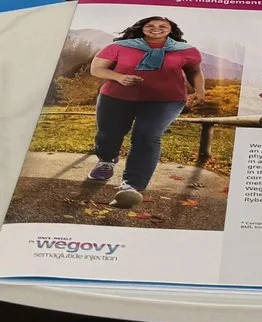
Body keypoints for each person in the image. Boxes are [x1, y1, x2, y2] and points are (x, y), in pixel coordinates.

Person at [85, 15, 204, 209]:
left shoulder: (187, 50)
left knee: (147, 136)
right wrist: (119, 77)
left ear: (171, 29)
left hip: (165, 100)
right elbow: (97, 69)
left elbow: (194, 71)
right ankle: (106, 160)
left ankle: (132, 186)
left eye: (162, 26)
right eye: (151, 25)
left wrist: (200, 90)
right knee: (109, 134)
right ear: (142, 28)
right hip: (116, 97)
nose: (156, 28)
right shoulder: (120, 46)